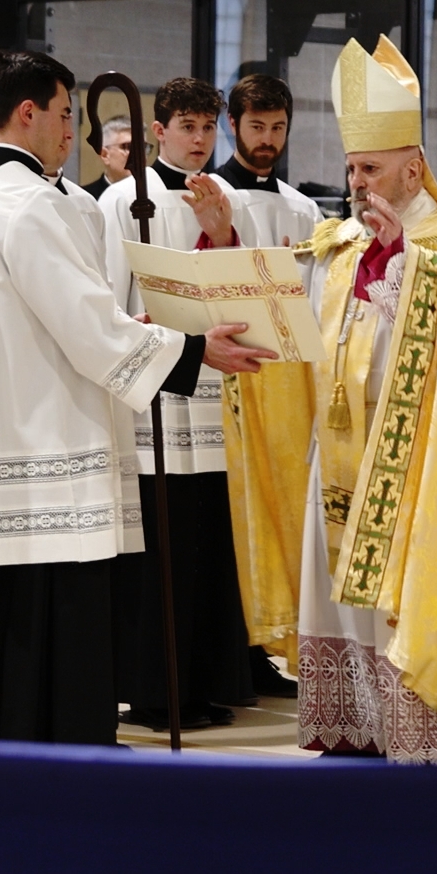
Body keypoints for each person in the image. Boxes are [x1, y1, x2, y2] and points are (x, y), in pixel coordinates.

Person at [0, 49, 271, 745]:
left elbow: (33, 318)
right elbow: (88, 329)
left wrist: (130, 327)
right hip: (42, 446)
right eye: (64, 112)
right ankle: (56, 757)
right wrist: (193, 348)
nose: (71, 129)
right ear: (28, 113)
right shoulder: (31, 206)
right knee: (49, 622)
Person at [290, 35, 437, 762]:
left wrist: (405, 261)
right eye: (352, 168)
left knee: (407, 590)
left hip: (418, 458)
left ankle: (424, 733)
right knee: (341, 595)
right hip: (341, 450)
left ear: (414, 169)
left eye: (373, 169)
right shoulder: (344, 241)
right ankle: (360, 725)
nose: (357, 183)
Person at [98, 77, 255, 731]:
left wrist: (224, 236)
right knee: (160, 555)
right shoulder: (121, 200)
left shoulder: (224, 199)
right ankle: (155, 692)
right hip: (153, 399)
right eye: (188, 126)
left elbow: (244, 290)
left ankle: (203, 684)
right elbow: (107, 300)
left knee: (206, 553)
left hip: (214, 402)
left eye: (209, 127)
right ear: (158, 131)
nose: (200, 139)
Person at [213, 73, 322, 700]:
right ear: (233, 124)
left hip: (284, 389)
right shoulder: (213, 195)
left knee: (281, 516)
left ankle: (270, 649)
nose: (268, 140)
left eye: (278, 128)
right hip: (226, 382)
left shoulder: (303, 208)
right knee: (232, 523)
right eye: (256, 126)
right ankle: (234, 656)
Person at [82, 116, 132, 199]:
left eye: (143, 147)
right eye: (128, 147)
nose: (139, 154)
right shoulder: (85, 198)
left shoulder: (153, 193)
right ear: (104, 155)